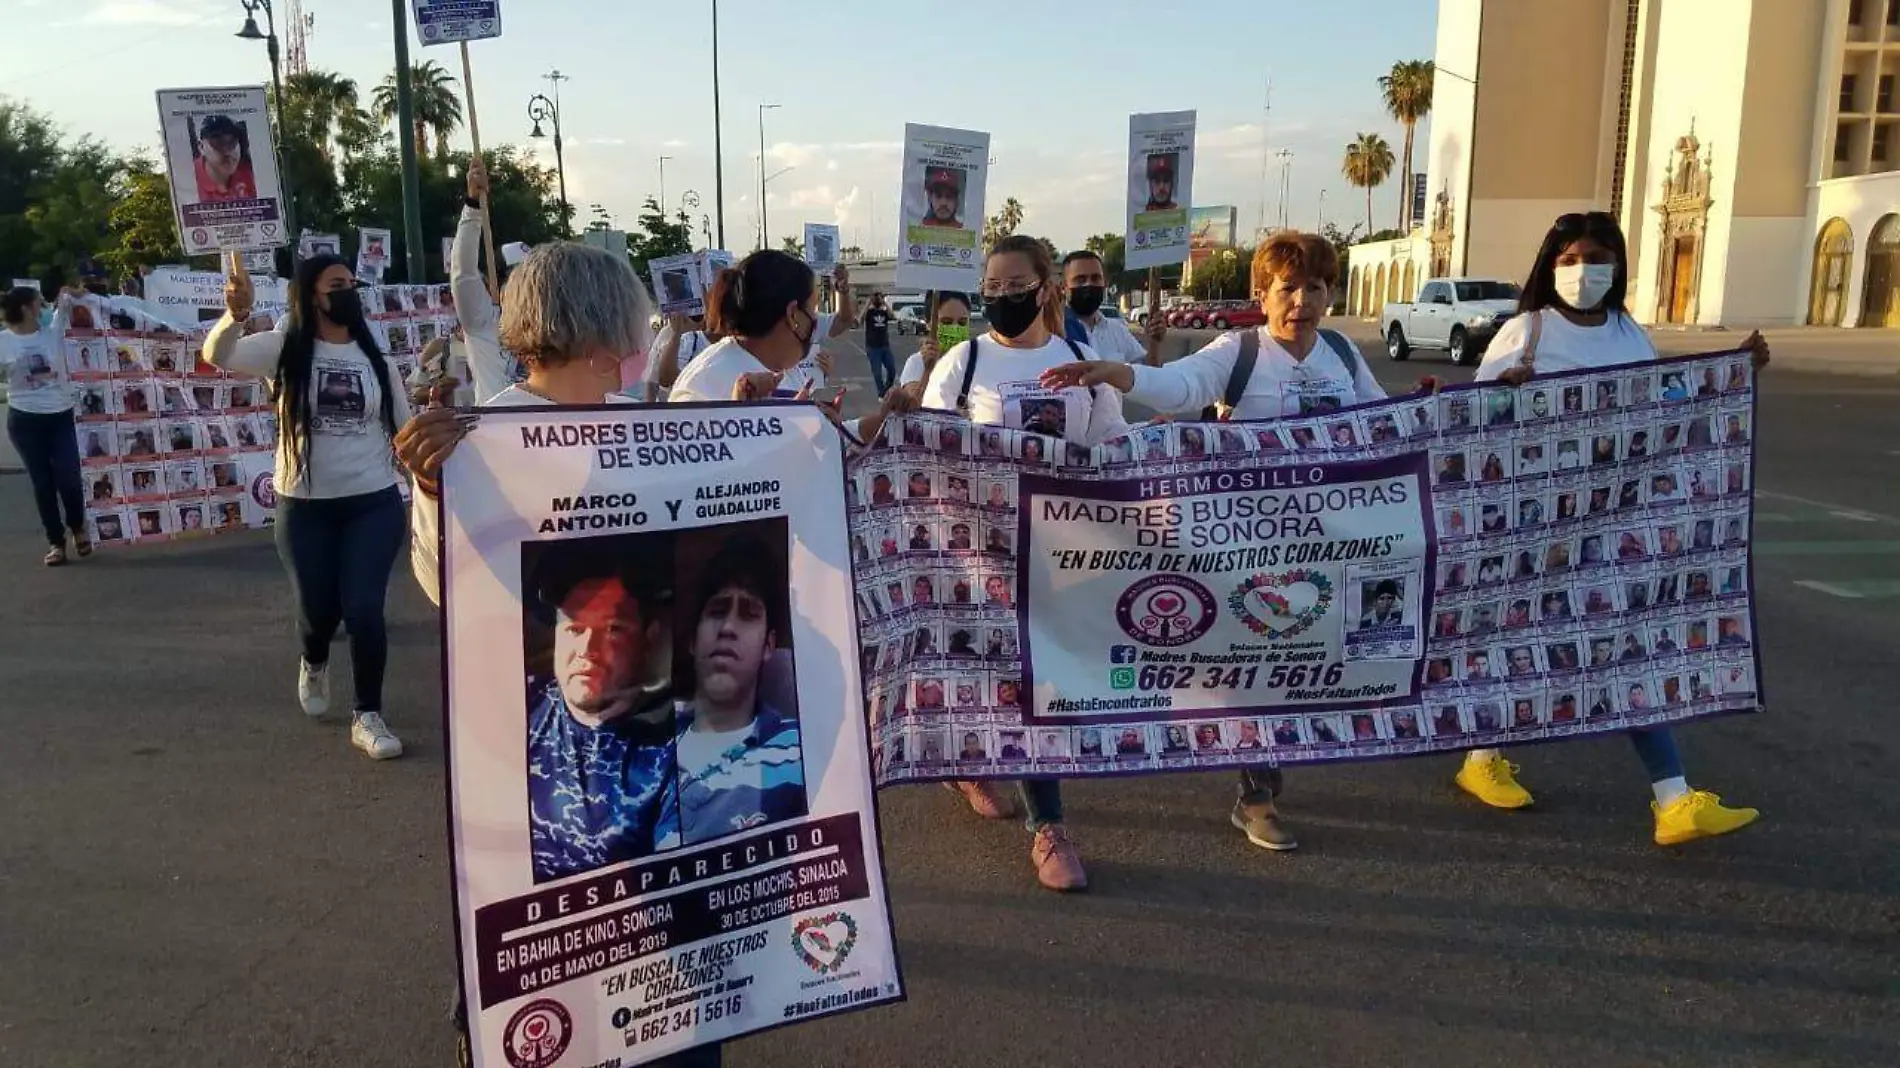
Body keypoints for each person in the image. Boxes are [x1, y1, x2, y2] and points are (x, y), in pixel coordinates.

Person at [1456, 210, 1765, 847]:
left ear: (1618, 265)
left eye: (1597, 257)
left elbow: (1664, 402)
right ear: (1550, 266)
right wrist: (1506, 392)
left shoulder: (1628, 331)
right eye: (1570, 259)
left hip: (1618, 522)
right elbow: (1470, 422)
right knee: (1523, 639)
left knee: (1627, 643)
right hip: (1537, 527)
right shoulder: (1527, 331)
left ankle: (1674, 799)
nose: (1583, 271)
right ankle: (1481, 758)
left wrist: (1730, 373)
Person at [919, 234, 1131, 892]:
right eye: (993, 289)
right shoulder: (964, 363)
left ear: (1047, 289)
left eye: (1017, 287)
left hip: (1061, 553)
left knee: (1043, 681)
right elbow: (926, 453)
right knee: (985, 670)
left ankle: (1048, 825)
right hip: (978, 553)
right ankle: (972, 762)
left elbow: (1112, 448)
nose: (1003, 299)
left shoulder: (1080, 359)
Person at [210, 252, 409, 761]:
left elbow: (404, 432)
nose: (348, 292)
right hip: (305, 507)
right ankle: (314, 659)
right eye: (335, 284)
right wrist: (234, 315)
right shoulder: (284, 348)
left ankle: (368, 715)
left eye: (351, 283)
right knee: (318, 613)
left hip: (373, 502)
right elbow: (218, 354)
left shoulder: (375, 359)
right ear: (310, 295)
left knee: (365, 609)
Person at [1044, 232, 1382, 428]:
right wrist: (1115, 372)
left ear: (1328, 295)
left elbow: (1385, 421)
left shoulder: (1342, 350)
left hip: (1336, 537)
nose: (1301, 301)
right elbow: (1178, 386)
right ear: (1262, 298)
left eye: (1314, 288)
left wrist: (1430, 400)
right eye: (1288, 288)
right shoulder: (1239, 351)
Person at [669, 250, 914, 446]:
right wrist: (742, 418)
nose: (817, 321)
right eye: (813, 310)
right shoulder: (703, 385)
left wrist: (883, 419)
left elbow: (827, 441)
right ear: (794, 315)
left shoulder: (785, 369)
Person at [676, 538, 806, 846]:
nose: (728, 627)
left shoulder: (800, 752)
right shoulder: (646, 744)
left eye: (748, 614)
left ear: (769, 646)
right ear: (693, 641)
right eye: (717, 611)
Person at [2, 285, 90, 565]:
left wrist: (71, 292)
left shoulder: (53, 332)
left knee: (69, 478)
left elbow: (70, 300)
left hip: (61, 415)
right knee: (43, 483)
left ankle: (77, 527)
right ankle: (56, 542)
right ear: (27, 309)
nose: (44, 308)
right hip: (25, 420)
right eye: (39, 304)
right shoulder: (3, 342)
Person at [450, 158, 526, 405]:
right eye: (520, 277)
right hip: (496, 433)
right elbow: (463, 273)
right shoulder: (483, 322)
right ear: (502, 282)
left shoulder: (550, 328)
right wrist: (472, 206)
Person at [1060, 250, 1164, 367]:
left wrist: (1155, 343)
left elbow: (1148, 373)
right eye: (1080, 280)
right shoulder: (1054, 331)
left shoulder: (1117, 331)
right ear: (1063, 287)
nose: (1089, 284)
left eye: (1095, 278)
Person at [896, 292, 974, 388]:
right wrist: (928, 370)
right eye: (946, 322)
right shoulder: (917, 363)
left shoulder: (976, 361)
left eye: (962, 322)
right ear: (928, 323)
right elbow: (914, 402)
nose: (955, 327)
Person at [192, 115, 257, 202]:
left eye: (233, 142)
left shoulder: (250, 173)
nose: (228, 152)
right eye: (218, 143)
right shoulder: (189, 178)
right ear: (201, 147)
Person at [862, 292, 897, 394]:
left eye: (879, 298)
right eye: (876, 298)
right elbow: (860, 319)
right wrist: (868, 302)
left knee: (892, 371)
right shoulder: (869, 312)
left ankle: (886, 389)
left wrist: (885, 303)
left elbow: (893, 316)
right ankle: (882, 394)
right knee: (877, 374)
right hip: (873, 348)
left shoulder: (884, 312)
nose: (878, 300)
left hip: (885, 346)